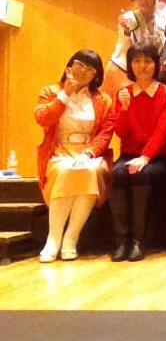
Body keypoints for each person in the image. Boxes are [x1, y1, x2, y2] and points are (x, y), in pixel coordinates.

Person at [34, 50, 115, 262]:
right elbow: (42, 118)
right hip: (59, 151)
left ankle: (71, 237)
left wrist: (89, 152)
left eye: (90, 69)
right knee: (64, 170)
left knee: (89, 170)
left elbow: (106, 132)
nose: (83, 71)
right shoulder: (51, 91)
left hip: (89, 152)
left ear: (95, 76)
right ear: (69, 66)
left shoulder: (103, 100)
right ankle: (53, 238)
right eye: (80, 65)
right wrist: (65, 95)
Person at [110, 43, 166, 262]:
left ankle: (139, 241)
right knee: (118, 174)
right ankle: (122, 241)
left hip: (160, 156)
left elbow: (163, 131)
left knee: (139, 174)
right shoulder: (124, 93)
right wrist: (124, 108)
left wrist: (145, 157)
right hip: (130, 154)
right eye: (137, 61)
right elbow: (120, 132)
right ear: (130, 65)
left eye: (147, 61)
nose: (142, 66)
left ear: (156, 65)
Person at [102, 0, 166, 102]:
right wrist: (127, 32)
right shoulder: (128, 18)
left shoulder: (163, 22)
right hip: (122, 72)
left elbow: (162, 52)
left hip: (148, 77)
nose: (143, 0)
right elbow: (126, 50)